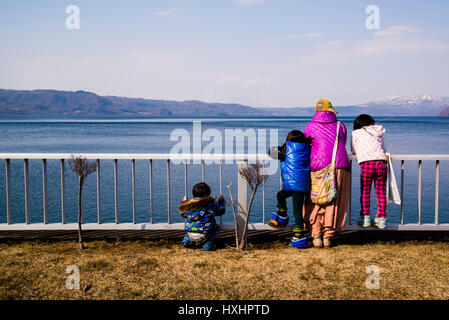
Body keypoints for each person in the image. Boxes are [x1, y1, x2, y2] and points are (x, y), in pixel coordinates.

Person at [303, 99, 351, 248]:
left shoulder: (310, 126)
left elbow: (306, 144)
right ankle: (328, 236)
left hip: (317, 165)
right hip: (339, 165)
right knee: (334, 201)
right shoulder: (340, 126)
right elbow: (342, 140)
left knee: (315, 199)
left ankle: (316, 235)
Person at [267, 130, 311, 249]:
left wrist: (281, 146)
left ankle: (299, 238)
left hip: (291, 184)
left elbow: (271, 152)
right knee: (282, 196)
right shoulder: (307, 148)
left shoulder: (287, 148)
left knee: (296, 211)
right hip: (301, 185)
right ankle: (282, 216)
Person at [351, 114, 388, 229]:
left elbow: (353, 149)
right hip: (381, 162)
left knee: (365, 191)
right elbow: (383, 148)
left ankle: (366, 217)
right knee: (381, 191)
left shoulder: (356, 133)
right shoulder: (378, 131)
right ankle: (381, 219)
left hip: (367, 163)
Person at [178, 182, 225, 251]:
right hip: (205, 234)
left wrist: (184, 202)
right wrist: (221, 202)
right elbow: (220, 211)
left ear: (194, 193)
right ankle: (208, 246)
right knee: (215, 229)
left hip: (191, 234)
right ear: (207, 194)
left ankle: (187, 242)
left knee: (189, 233)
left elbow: (183, 213)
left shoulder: (189, 205)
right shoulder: (210, 204)